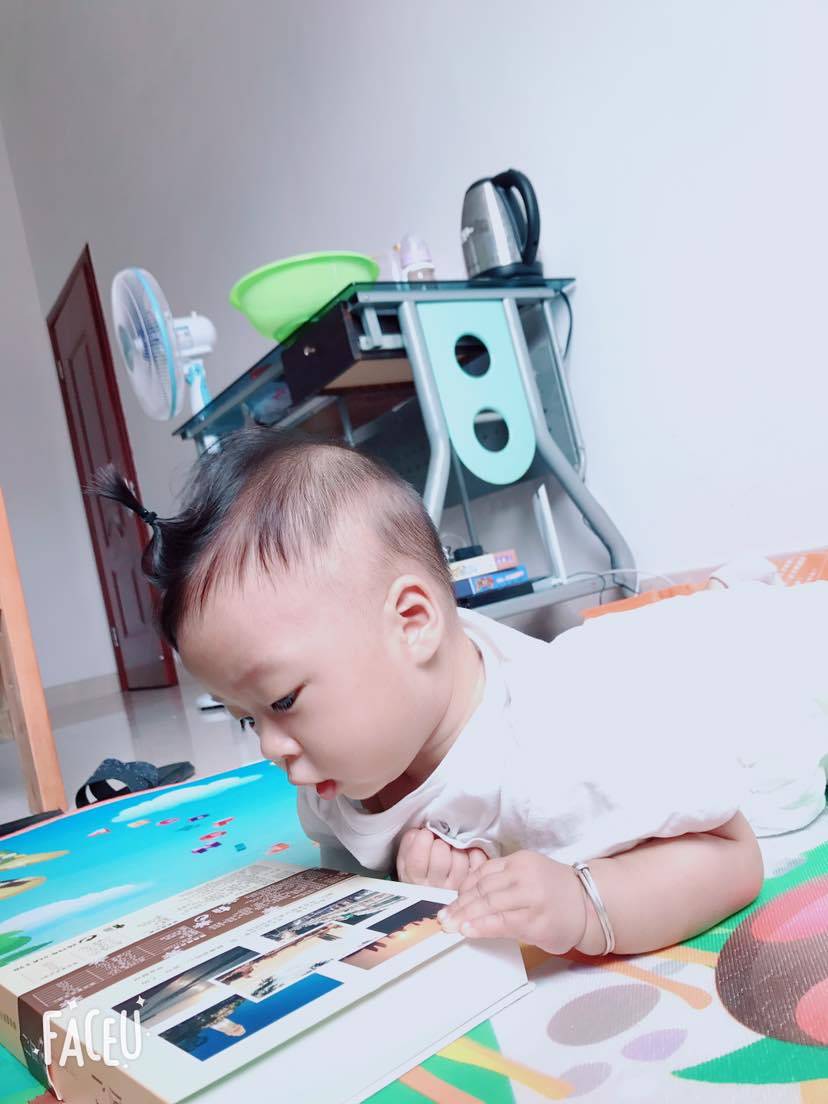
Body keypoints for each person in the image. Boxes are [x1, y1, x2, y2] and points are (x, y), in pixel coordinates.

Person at [94, 428, 828, 957]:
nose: (269, 747)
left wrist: (582, 902)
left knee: (774, 633)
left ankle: (749, 597)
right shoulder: (335, 772)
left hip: (737, 685)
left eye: (282, 701)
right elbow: (369, 855)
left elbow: (731, 855)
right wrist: (413, 874)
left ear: (413, 624)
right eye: (244, 718)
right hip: (590, 662)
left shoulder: (560, 751)